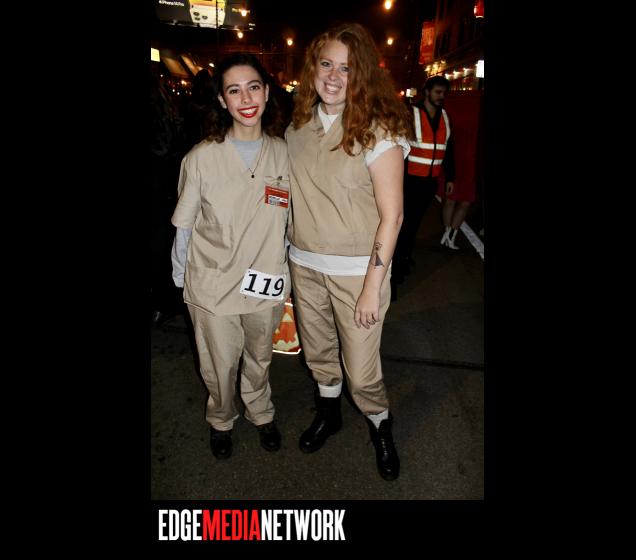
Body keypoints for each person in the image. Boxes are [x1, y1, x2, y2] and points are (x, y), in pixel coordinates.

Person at [285, 23, 413, 481]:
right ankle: (330, 414)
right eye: (327, 64)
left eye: (346, 68)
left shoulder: (380, 132)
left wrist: (372, 288)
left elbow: (392, 217)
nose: (334, 76)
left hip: (359, 273)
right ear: (313, 69)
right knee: (319, 355)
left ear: (362, 75)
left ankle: (380, 423)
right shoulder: (297, 129)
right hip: (304, 265)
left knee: (361, 371)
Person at [170, 53, 290, 460]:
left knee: (259, 357)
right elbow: (184, 227)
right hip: (214, 284)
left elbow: (291, 223)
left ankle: (260, 411)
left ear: (267, 92)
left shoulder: (284, 153)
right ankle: (221, 418)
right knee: (219, 365)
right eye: (234, 90)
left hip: (266, 281)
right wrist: (181, 278)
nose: (246, 99)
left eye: (253, 87)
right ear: (222, 101)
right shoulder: (201, 158)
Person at [393, 76, 455, 276]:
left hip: (430, 181)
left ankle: (405, 255)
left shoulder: (444, 116)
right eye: (438, 92)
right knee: (404, 224)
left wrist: (450, 177)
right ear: (427, 92)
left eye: (444, 93)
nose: (441, 96)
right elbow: (397, 147)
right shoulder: (410, 114)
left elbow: (449, 149)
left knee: (415, 223)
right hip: (409, 180)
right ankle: (397, 265)